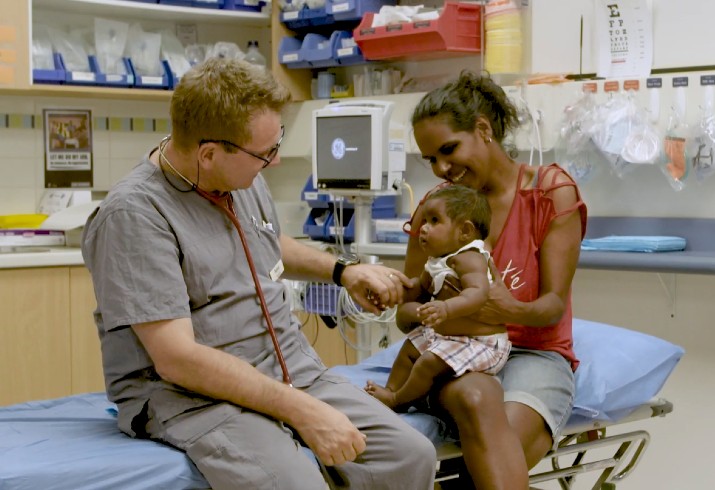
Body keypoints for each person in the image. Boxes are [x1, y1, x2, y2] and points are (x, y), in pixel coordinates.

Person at [81, 58, 436, 490]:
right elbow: (177, 360)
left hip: (286, 368)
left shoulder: (238, 177)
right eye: (265, 153)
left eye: (276, 144)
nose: (275, 160)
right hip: (194, 396)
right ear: (208, 153)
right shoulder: (134, 215)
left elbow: (262, 240)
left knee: (410, 455)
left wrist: (343, 271)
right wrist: (300, 410)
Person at [398, 71, 588, 489]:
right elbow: (406, 312)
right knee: (474, 398)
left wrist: (508, 310)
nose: (443, 169)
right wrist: (423, 309)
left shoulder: (550, 193)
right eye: (431, 159)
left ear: (483, 129)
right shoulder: (435, 210)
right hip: (456, 350)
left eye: (449, 150)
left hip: (534, 353)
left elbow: (553, 305)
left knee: (486, 465)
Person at [365, 185, 511, 411]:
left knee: (428, 362)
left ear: (465, 231)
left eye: (434, 221)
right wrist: (396, 287)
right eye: (424, 221)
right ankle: (391, 391)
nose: (423, 228)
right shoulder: (438, 260)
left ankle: (398, 400)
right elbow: (420, 287)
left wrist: (446, 308)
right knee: (410, 348)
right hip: (452, 338)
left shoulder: (469, 258)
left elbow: (478, 293)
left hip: (483, 345)